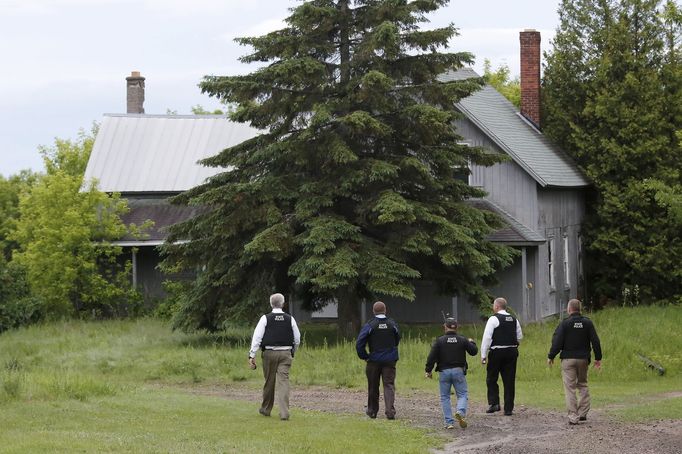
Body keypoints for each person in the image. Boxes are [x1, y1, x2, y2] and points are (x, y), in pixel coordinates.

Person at [547, 298, 602, 425]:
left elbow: (557, 341)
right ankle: (582, 413)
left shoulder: (565, 324)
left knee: (570, 388)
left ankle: (573, 416)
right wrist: (598, 358)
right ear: (580, 309)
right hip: (583, 359)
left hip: (568, 360)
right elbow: (595, 341)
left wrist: (551, 356)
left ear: (569, 309)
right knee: (582, 384)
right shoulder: (588, 323)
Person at [248, 293, 301, 421]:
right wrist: (293, 350)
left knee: (269, 382)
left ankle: (266, 409)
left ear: (271, 304)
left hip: (269, 354)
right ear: (283, 304)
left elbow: (257, 337)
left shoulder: (265, 318)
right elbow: (297, 338)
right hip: (285, 354)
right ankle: (284, 413)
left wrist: (252, 354)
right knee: (283, 383)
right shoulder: (290, 319)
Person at [425, 317, 478, 429]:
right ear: (457, 327)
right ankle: (460, 412)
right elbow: (473, 352)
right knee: (462, 395)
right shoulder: (462, 340)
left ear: (445, 327)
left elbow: (431, 357)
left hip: (444, 372)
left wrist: (428, 370)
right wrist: (471, 342)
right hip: (459, 371)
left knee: (445, 397)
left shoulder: (439, 341)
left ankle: (449, 422)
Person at [356, 301, 401, 420]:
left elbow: (360, 343)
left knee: (373, 385)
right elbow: (397, 339)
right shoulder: (392, 324)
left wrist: (365, 356)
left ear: (373, 311)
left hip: (374, 360)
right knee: (389, 385)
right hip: (390, 360)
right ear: (385, 310)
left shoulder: (370, 325)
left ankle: (372, 411)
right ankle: (390, 412)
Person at [480, 297, 523, 416]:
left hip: (497, 352)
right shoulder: (514, 319)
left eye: (494, 305)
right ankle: (508, 408)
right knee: (509, 380)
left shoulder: (493, 319)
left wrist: (483, 355)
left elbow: (487, 338)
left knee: (492, 378)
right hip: (511, 352)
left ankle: (494, 403)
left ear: (497, 306)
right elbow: (519, 336)